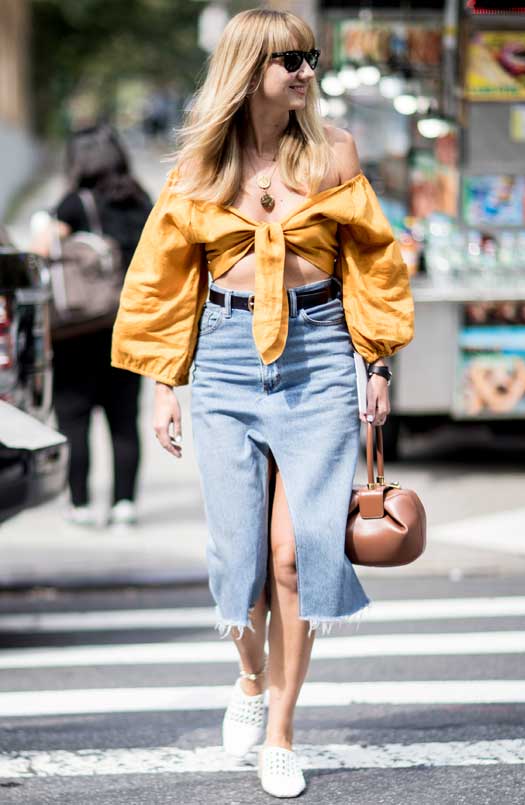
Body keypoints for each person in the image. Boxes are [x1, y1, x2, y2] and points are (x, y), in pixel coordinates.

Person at [112, 8, 413, 798]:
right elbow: (163, 280)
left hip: (316, 358)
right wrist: (164, 384)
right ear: (251, 69)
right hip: (222, 359)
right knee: (238, 562)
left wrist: (375, 361)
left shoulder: (335, 151)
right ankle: (249, 677)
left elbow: (373, 262)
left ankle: (282, 729)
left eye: (310, 57)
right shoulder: (200, 168)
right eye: (291, 60)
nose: (307, 71)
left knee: (296, 554)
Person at [32, 124, 153, 528]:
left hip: (77, 330)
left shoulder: (74, 204)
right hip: (129, 325)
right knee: (124, 419)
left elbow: (42, 250)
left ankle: (80, 505)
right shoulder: (141, 200)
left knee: (74, 418)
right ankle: (125, 504)